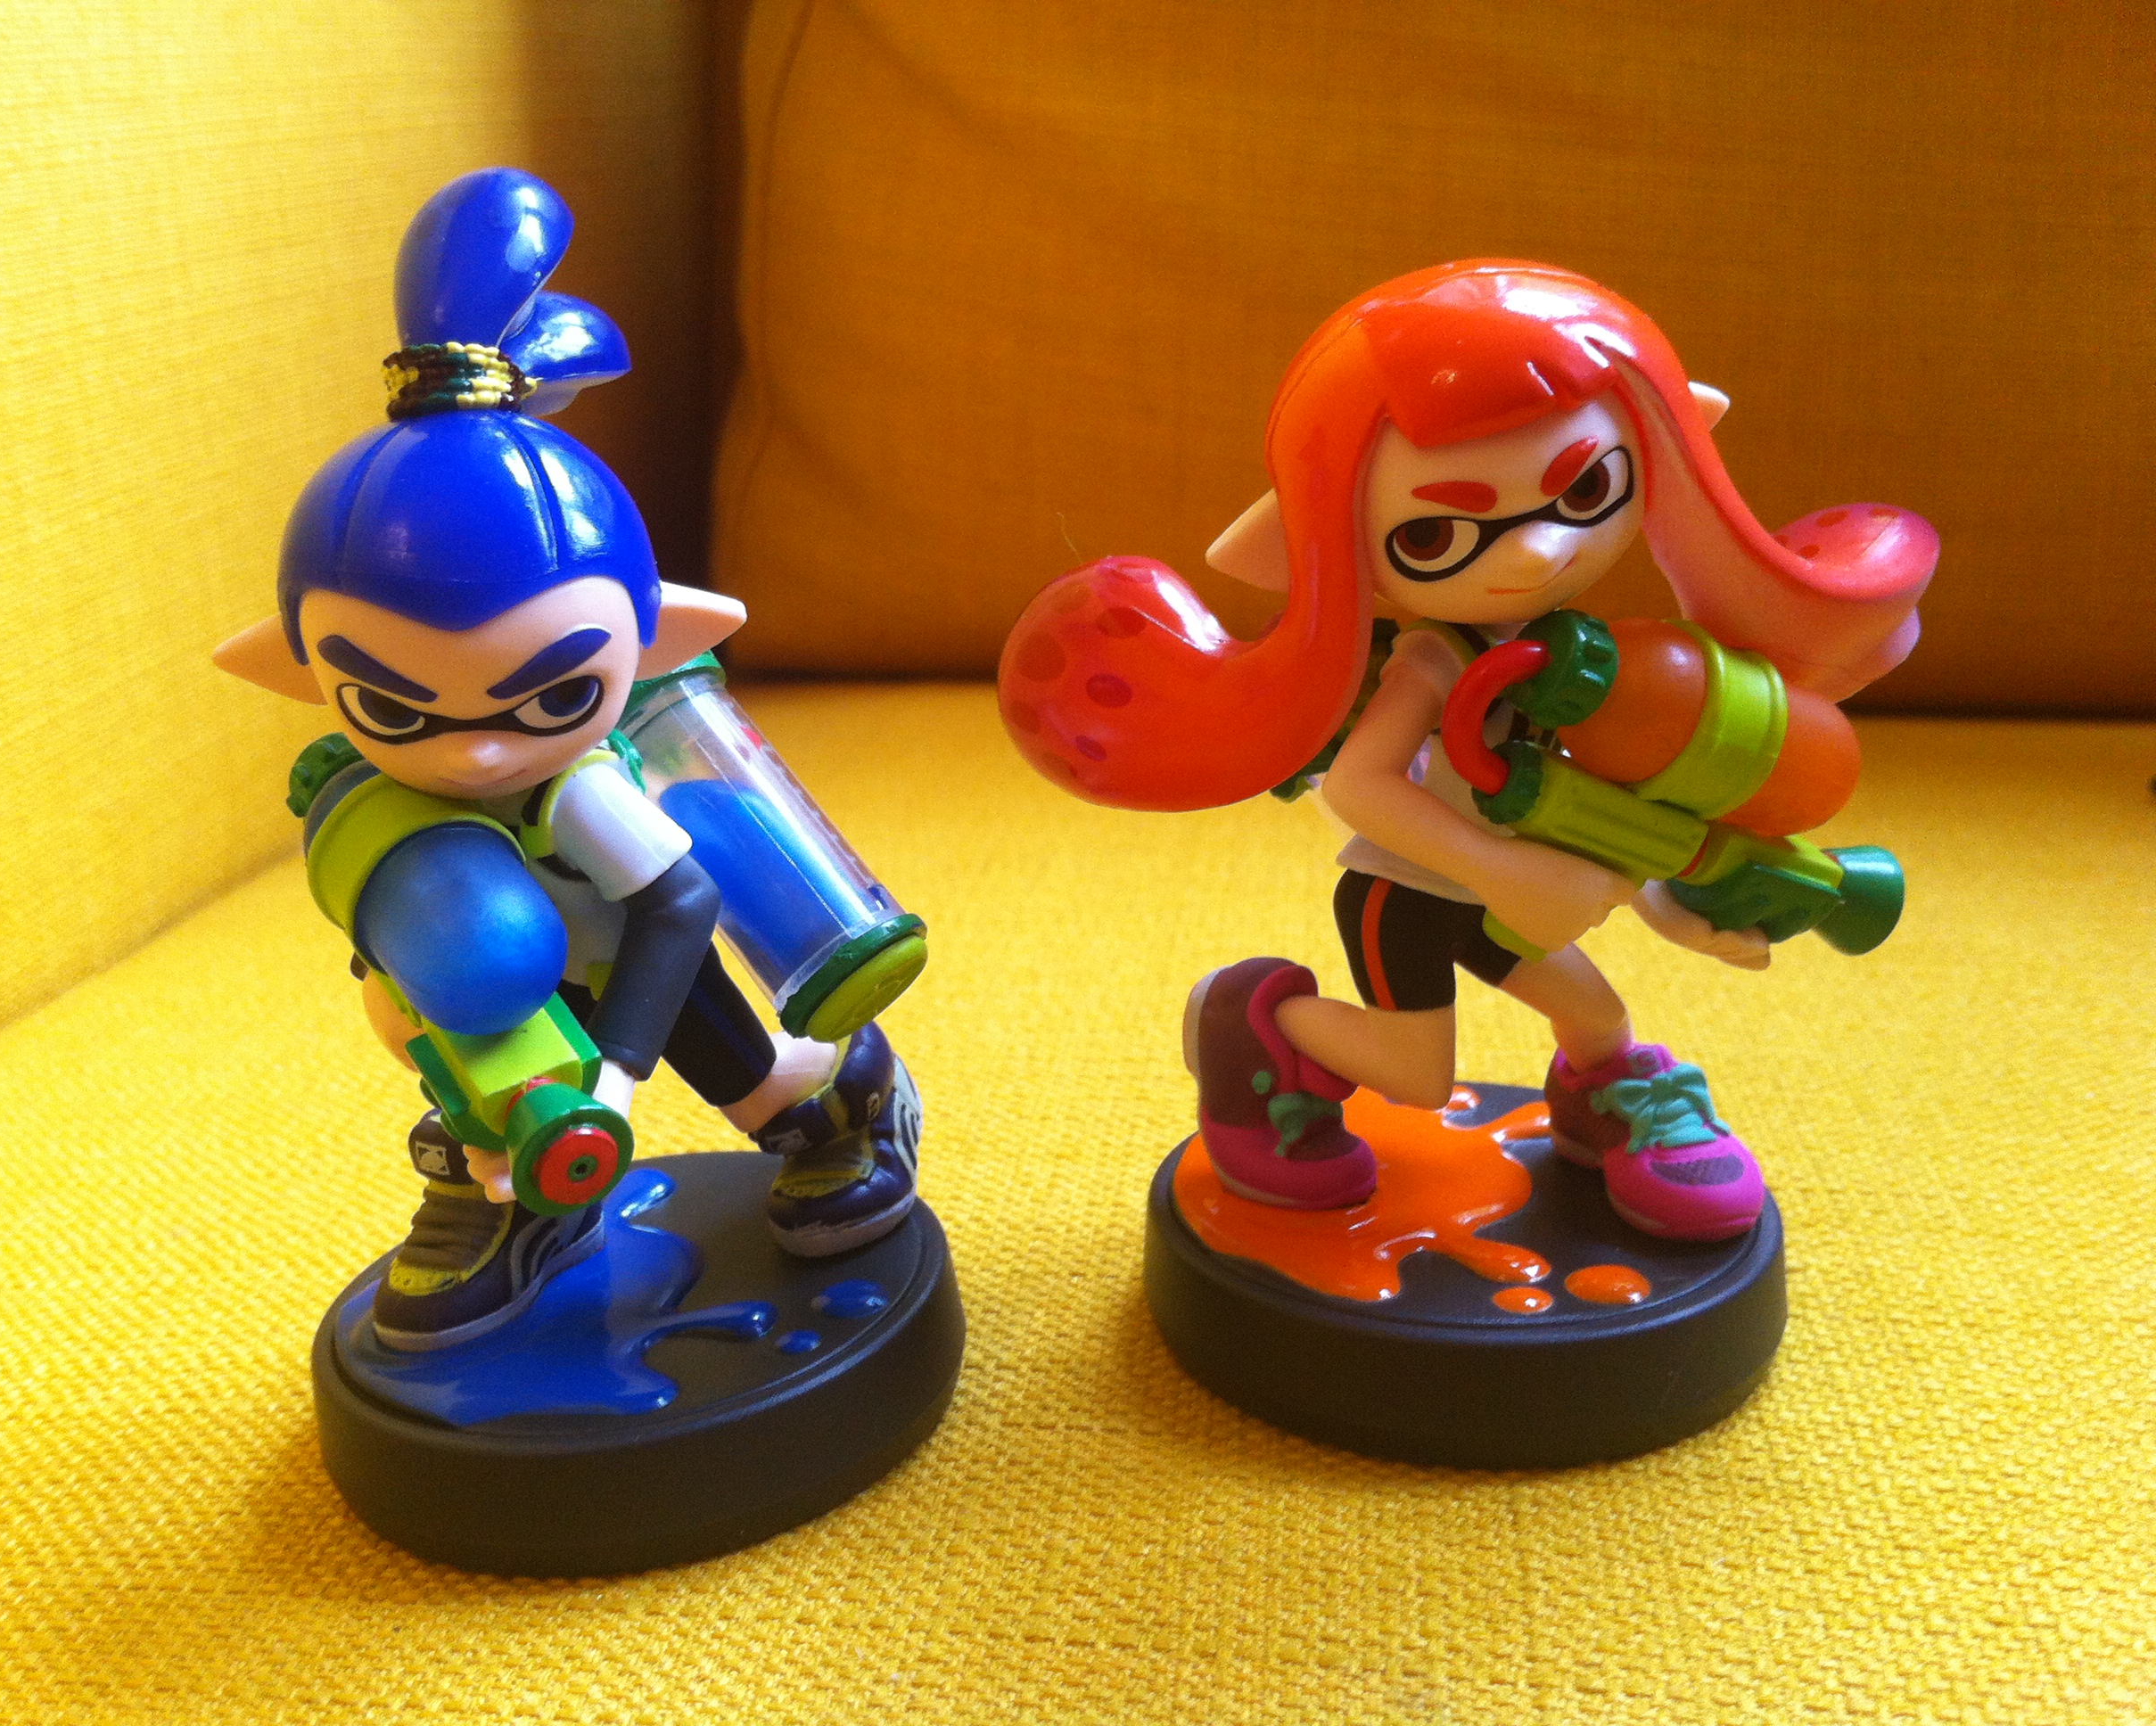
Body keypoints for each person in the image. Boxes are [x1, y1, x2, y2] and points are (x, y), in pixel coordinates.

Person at [1003, 260, 1935, 1241]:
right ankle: (1257, 1024)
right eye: (1438, 535)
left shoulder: (1585, 655)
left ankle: (1603, 1103)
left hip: (1500, 886)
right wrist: (1504, 869)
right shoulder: (1437, 658)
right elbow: (1361, 787)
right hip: (1406, 897)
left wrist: (1675, 902)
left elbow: (1598, 798)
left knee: (1597, 1017)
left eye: (1585, 489)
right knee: (1416, 1075)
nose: (1537, 551)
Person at [216, 169, 918, 1350]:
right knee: (479, 1101)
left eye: (552, 693)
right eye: (392, 703)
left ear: (651, 639)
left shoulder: (580, 791)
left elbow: (678, 904)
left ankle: (842, 1102)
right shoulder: (374, 807)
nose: (480, 748)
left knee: (745, 1075)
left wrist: (620, 1072)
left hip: (631, 966)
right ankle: (509, 1209)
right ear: (302, 670)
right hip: (490, 999)